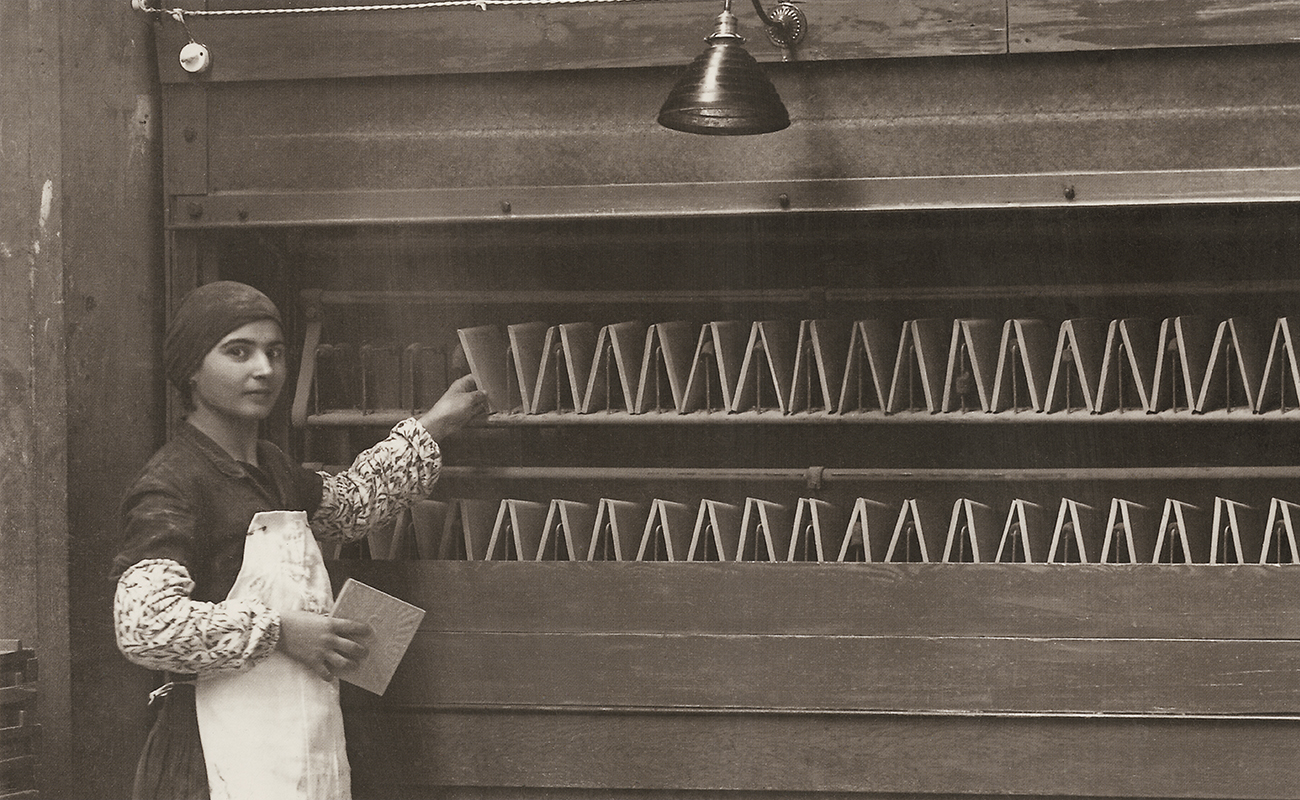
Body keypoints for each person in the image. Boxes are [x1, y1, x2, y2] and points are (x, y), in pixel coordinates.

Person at [111, 280, 488, 800]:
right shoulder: (173, 482)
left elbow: (351, 507)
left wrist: (435, 424)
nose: (264, 369)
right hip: (210, 760)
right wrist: (281, 632)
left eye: (276, 352)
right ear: (191, 369)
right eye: (238, 352)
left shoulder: (271, 468)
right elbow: (144, 625)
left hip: (295, 744)